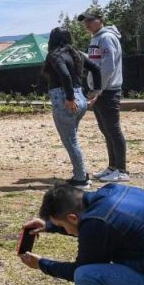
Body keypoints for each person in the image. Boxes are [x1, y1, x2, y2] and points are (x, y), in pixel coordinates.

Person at [41, 27, 102, 188]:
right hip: (81, 99)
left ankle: (81, 179)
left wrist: (69, 98)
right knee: (72, 139)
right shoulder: (77, 54)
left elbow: (65, 75)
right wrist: (96, 92)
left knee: (71, 142)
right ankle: (81, 174)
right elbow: (96, 69)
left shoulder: (55, 55)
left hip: (66, 100)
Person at [79, 10, 129, 183]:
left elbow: (108, 67)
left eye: (90, 20)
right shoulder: (96, 38)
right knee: (106, 129)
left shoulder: (106, 38)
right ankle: (112, 167)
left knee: (113, 130)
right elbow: (96, 61)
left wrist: (99, 90)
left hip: (108, 90)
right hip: (100, 89)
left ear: (100, 20)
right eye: (85, 21)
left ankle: (122, 170)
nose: (86, 24)